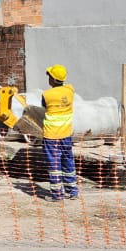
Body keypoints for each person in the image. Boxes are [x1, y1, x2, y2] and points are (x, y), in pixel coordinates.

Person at [41, 64, 79, 200]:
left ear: (52, 79)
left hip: (51, 136)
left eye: (49, 76)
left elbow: (44, 106)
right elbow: (68, 86)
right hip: (66, 135)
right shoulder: (70, 91)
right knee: (68, 161)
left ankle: (57, 194)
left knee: (54, 164)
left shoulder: (46, 95)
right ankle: (72, 191)